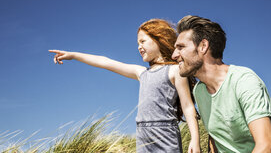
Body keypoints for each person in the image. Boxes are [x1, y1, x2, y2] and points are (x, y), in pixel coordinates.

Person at [49, 19, 201, 153]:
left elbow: (188, 107)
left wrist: (195, 139)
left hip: (166, 133)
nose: (139, 47)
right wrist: (74, 55)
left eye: (143, 41)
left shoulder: (174, 70)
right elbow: (106, 62)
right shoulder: (141, 73)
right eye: (137, 43)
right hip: (143, 134)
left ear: (158, 39)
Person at [172, 15, 271, 153]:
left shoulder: (244, 81)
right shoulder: (199, 92)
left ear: (203, 46)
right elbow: (217, 139)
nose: (174, 55)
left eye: (180, 47)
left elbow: (267, 146)